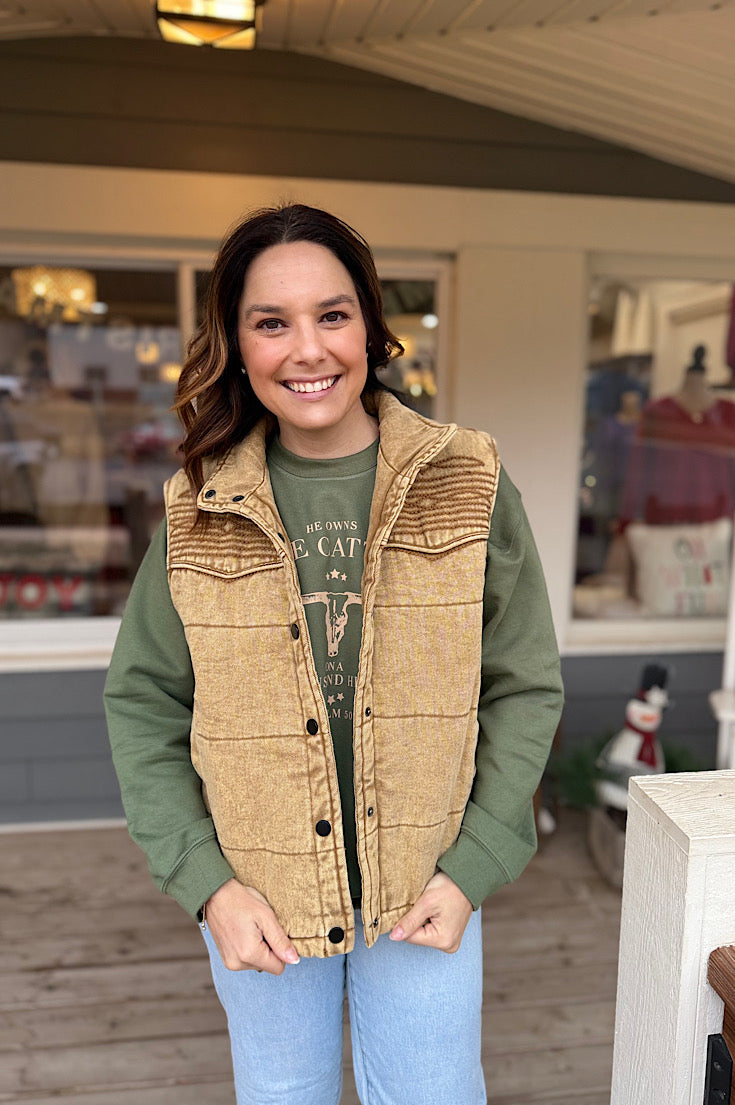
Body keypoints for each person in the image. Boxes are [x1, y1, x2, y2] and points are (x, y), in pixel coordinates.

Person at [104, 203, 563, 1105]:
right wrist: (209, 886)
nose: (306, 349)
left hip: (425, 885)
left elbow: (524, 684)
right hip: (259, 889)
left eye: (333, 314)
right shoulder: (197, 509)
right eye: (271, 322)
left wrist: (472, 864)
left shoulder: (464, 477)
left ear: (371, 327)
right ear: (236, 345)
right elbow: (143, 703)